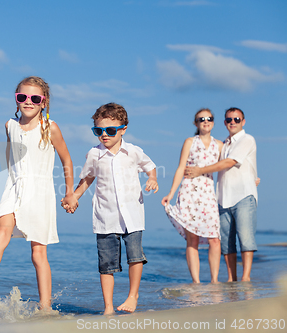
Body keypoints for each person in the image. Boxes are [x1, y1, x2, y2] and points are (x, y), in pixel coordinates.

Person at [0, 76, 78, 319]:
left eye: (34, 98)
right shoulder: (10, 125)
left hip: (40, 192)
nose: (28, 102)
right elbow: (11, 156)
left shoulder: (49, 128)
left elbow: (67, 160)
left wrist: (69, 192)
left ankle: (45, 307)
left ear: (44, 102)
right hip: (13, 187)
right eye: (22, 97)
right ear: (16, 100)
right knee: (1, 234)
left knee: (38, 253)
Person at [62, 103, 158, 314]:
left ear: (123, 129)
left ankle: (133, 296)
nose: (104, 135)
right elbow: (87, 179)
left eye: (110, 130)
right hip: (105, 217)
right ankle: (108, 307)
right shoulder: (94, 154)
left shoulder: (133, 151)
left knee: (135, 256)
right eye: (99, 131)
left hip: (132, 214)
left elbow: (150, 167)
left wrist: (152, 179)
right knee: (106, 265)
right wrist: (74, 197)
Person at [185, 107, 258, 282]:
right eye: (229, 120)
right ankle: (231, 278)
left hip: (243, 196)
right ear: (225, 123)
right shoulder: (224, 144)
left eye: (237, 119)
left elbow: (229, 162)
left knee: (245, 238)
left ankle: (246, 277)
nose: (233, 122)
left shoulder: (247, 139)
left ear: (243, 122)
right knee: (226, 242)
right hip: (223, 198)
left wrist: (199, 171)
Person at [161, 108, 222, 284]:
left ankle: (214, 280)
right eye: (201, 119)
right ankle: (196, 281)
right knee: (192, 239)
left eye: (209, 118)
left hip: (208, 195)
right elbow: (181, 168)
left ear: (213, 122)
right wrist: (171, 193)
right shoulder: (190, 141)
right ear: (195, 123)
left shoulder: (219, 145)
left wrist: (251, 178)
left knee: (215, 239)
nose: (205, 121)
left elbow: (229, 164)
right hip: (189, 193)